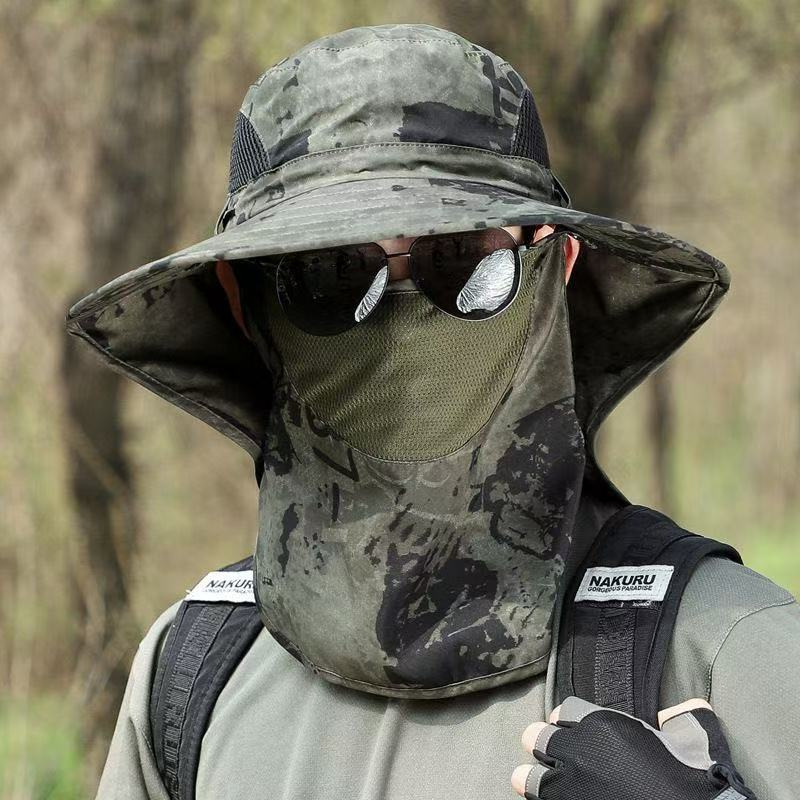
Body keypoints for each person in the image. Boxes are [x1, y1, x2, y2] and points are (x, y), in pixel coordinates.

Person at [66, 23, 799, 800]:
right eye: (330, 273)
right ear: (245, 302)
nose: (404, 326)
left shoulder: (721, 649)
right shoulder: (188, 677)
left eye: (463, 258)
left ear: (556, 265)